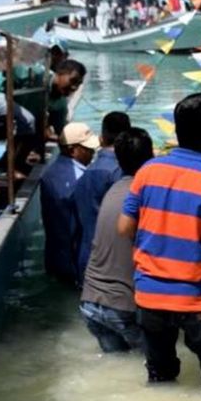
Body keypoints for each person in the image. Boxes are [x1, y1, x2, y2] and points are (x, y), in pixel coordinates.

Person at [118, 92, 201, 387]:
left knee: (160, 377)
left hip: (149, 295)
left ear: (175, 130)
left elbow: (124, 227)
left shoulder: (147, 171)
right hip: (197, 299)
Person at [80, 127, 154, 353]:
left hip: (90, 301)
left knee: (118, 363)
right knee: (159, 369)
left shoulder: (113, 189)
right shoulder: (146, 194)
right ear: (150, 157)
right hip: (122, 305)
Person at [0, 57, 85, 173]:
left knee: (33, 128)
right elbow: (12, 64)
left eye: (78, 84)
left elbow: (62, 133)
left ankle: (8, 161)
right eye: (73, 81)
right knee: (28, 121)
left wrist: (73, 156)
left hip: (1, 117)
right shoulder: (37, 73)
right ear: (59, 73)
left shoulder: (60, 104)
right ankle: (14, 168)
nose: (74, 87)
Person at [73, 111, 131, 285]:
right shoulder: (122, 174)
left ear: (100, 139)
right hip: (116, 265)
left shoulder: (84, 174)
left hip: (87, 258)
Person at [40, 122, 100, 284]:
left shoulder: (51, 173)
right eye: (87, 149)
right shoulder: (78, 180)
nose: (92, 153)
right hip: (74, 262)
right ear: (73, 150)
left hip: (55, 257)